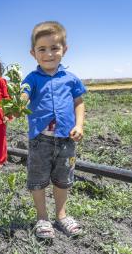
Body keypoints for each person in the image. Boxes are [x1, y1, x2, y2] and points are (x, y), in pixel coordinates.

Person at [20, 21, 86, 238]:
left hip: (66, 139)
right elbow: (24, 93)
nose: (49, 54)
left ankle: (61, 215)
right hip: (41, 140)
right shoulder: (32, 78)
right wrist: (19, 102)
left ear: (64, 50)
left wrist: (79, 124)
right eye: (42, 49)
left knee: (63, 178)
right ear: (33, 53)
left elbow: (79, 102)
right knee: (37, 179)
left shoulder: (71, 79)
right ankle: (42, 218)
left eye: (54, 48)